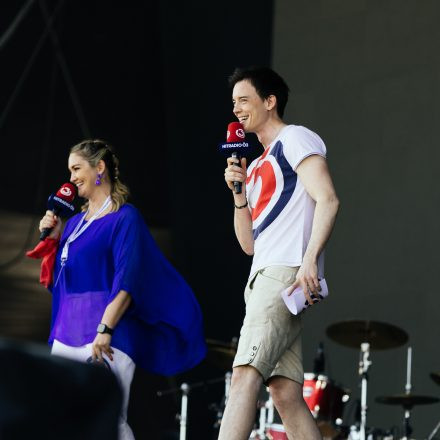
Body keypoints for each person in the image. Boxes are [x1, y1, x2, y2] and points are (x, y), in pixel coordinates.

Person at [36, 139, 206, 440]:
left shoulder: (125, 217)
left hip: (106, 333)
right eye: (70, 170)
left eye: (77, 169)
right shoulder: (73, 224)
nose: (71, 178)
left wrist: (105, 328)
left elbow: (128, 280)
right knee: (61, 424)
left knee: (106, 423)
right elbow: (64, 281)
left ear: (99, 167)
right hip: (65, 332)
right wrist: (54, 238)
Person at [219, 67, 340, 439]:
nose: (237, 109)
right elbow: (248, 245)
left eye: (244, 100)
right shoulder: (256, 164)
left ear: (270, 101)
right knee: (285, 393)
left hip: (284, 272)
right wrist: (239, 194)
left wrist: (309, 260)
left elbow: (328, 199)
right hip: (263, 276)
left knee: (244, 375)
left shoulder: (295, 138)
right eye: (234, 102)